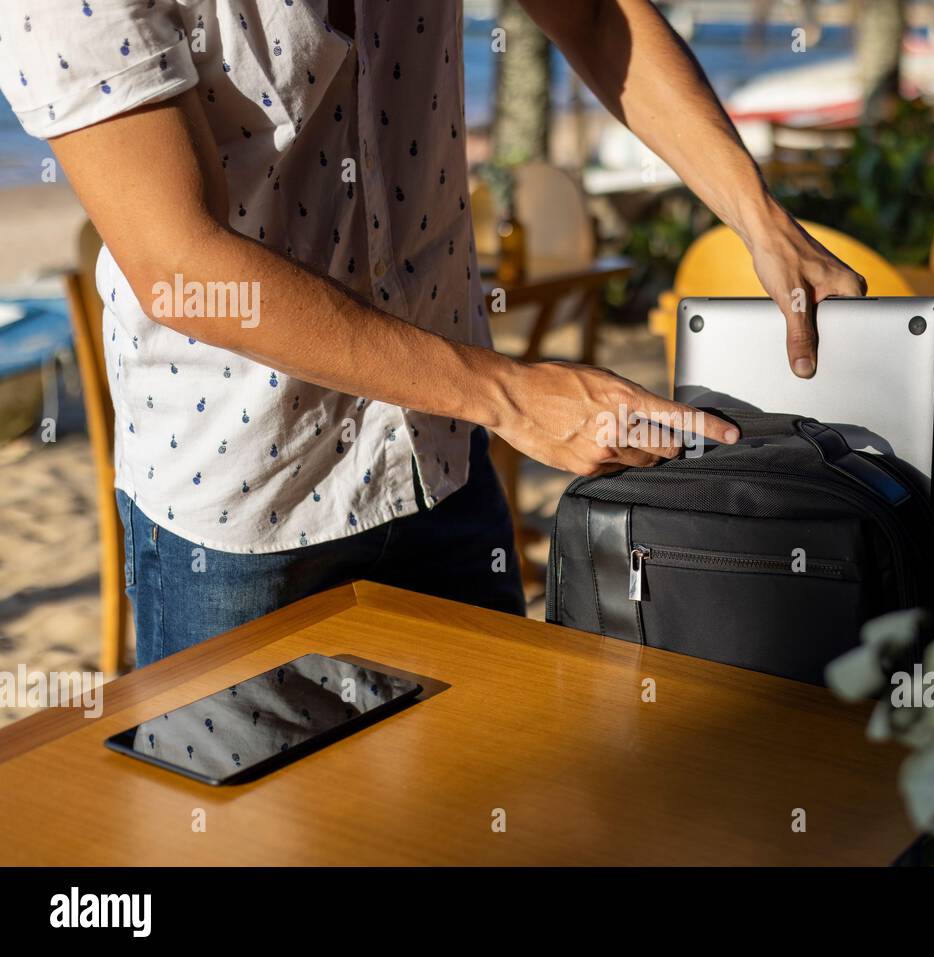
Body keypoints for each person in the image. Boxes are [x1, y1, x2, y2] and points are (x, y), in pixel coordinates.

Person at [0, 1, 864, 665]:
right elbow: (179, 262)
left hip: (440, 463)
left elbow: (593, 14)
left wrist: (758, 216)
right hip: (241, 508)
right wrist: (509, 394)